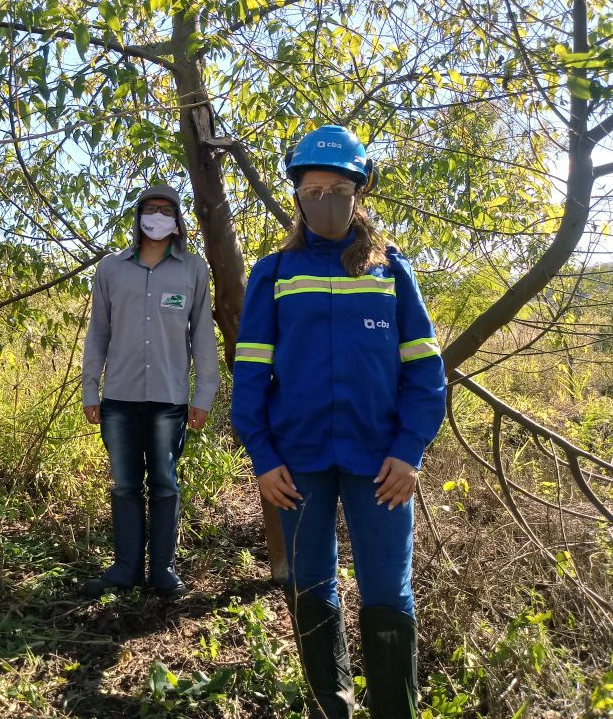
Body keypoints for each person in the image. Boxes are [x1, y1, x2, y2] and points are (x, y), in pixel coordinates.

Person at [230, 125, 446, 718]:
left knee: (387, 593)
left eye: (337, 187)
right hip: (297, 463)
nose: (324, 197)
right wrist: (263, 457)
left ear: (360, 189)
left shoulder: (391, 270)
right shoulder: (274, 273)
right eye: (312, 187)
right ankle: (334, 708)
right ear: (297, 193)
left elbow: (426, 375)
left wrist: (410, 452)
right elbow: (250, 375)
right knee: (311, 584)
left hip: (382, 464)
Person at [81, 183, 220, 598]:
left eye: (166, 210)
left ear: (177, 221)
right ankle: (125, 569)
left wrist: (203, 395)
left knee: (164, 482)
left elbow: (203, 339)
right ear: (138, 216)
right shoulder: (110, 269)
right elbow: (98, 333)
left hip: (170, 398)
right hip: (120, 397)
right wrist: (91, 389)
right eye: (150, 209)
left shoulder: (193, 269)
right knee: (125, 484)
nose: (157, 216)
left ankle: (162, 570)